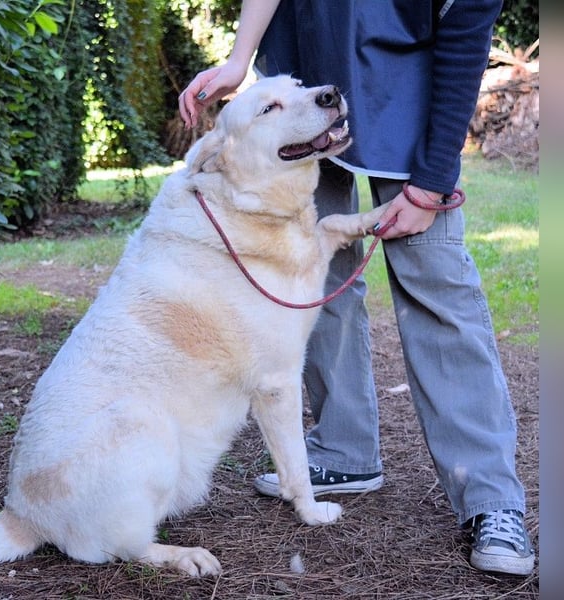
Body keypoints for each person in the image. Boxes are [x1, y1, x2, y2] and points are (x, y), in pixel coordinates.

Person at [178, 0, 535, 577]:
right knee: (312, 274)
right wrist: (241, 58)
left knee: (435, 281)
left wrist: (434, 181)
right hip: (306, 88)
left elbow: (465, 35)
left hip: (413, 94)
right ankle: (344, 449)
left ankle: (491, 498)